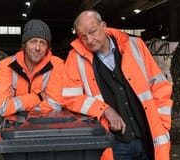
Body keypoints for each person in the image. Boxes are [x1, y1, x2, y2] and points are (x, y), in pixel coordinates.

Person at [62, 10, 172, 160]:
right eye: (83, 36)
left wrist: (163, 123)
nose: (89, 39)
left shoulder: (135, 46)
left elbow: (159, 86)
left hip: (148, 136)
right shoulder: (75, 58)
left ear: (103, 26)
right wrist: (104, 109)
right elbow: (70, 97)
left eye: (92, 32)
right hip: (114, 144)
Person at [0, 19, 64, 116]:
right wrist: (38, 97)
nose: (37, 48)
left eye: (42, 43)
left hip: (47, 125)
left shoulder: (57, 65)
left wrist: (16, 103)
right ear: (25, 44)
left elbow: (56, 106)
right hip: (15, 127)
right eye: (33, 41)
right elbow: (3, 108)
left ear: (47, 47)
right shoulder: (6, 65)